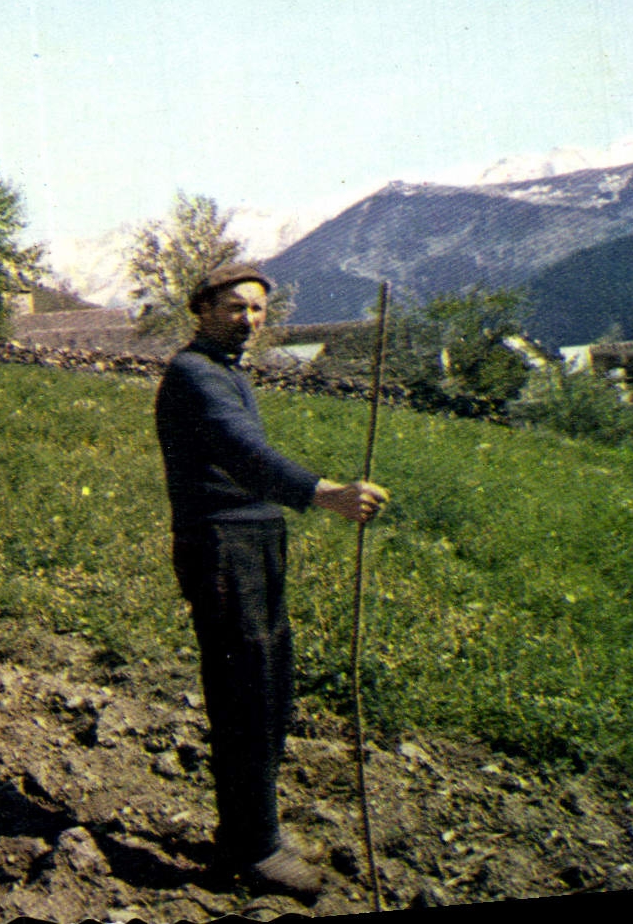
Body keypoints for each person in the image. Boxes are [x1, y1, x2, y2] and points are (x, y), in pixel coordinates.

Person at [153, 262, 387, 900]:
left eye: (257, 309)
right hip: (223, 545)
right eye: (235, 307)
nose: (249, 320)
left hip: (255, 541)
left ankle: (249, 831)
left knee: (270, 687)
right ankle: (253, 851)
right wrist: (325, 492)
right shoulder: (193, 374)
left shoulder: (226, 371)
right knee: (245, 693)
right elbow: (240, 452)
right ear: (200, 309)